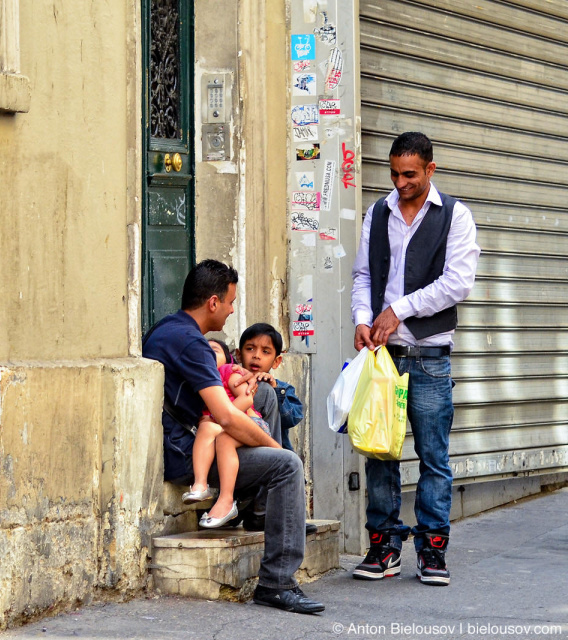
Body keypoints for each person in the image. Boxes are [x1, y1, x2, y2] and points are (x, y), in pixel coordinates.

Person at [143, 259, 324, 614]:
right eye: (229, 303)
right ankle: (277, 583)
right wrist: (275, 449)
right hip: (190, 452)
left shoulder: (170, 328)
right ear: (213, 302)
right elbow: (224, 416)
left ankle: (259, 510)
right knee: (287, 466)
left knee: (266, 395)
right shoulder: (192, 344)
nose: (230, 310)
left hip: (196, 437)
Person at [350, 132, 479, 586]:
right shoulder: (378, 212)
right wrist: (364, 319)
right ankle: (384, 546)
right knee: (379, 453)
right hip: (382, 356)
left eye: (409, 174)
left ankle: (432, 550)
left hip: (429, 358)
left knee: (433, 457)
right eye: (394, 173)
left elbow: (457, 283)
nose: (400, 183)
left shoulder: (455, 217)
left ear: (430, 170)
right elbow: (364, 275)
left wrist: (398, 309)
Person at [184, 340, 273, 529]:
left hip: (251, 424)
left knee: (222, 437)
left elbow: (247, 398)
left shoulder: (227, 371)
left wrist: (222, 418)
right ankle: (200, 486)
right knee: (207, 429)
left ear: (227, 358)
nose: (208, 353)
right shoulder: (198, 380)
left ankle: (226, 500)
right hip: (221, 427)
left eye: (214, 350)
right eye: (203, 350)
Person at [238, 323, 304, 452]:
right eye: (250, 349)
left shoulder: (282, 388)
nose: (256, 355)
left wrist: (275, 390)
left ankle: (275, 457)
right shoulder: (233, 383)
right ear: (238, 355)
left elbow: (292, 419)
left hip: (275, 450)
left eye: (265, 352)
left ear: (276, 361)